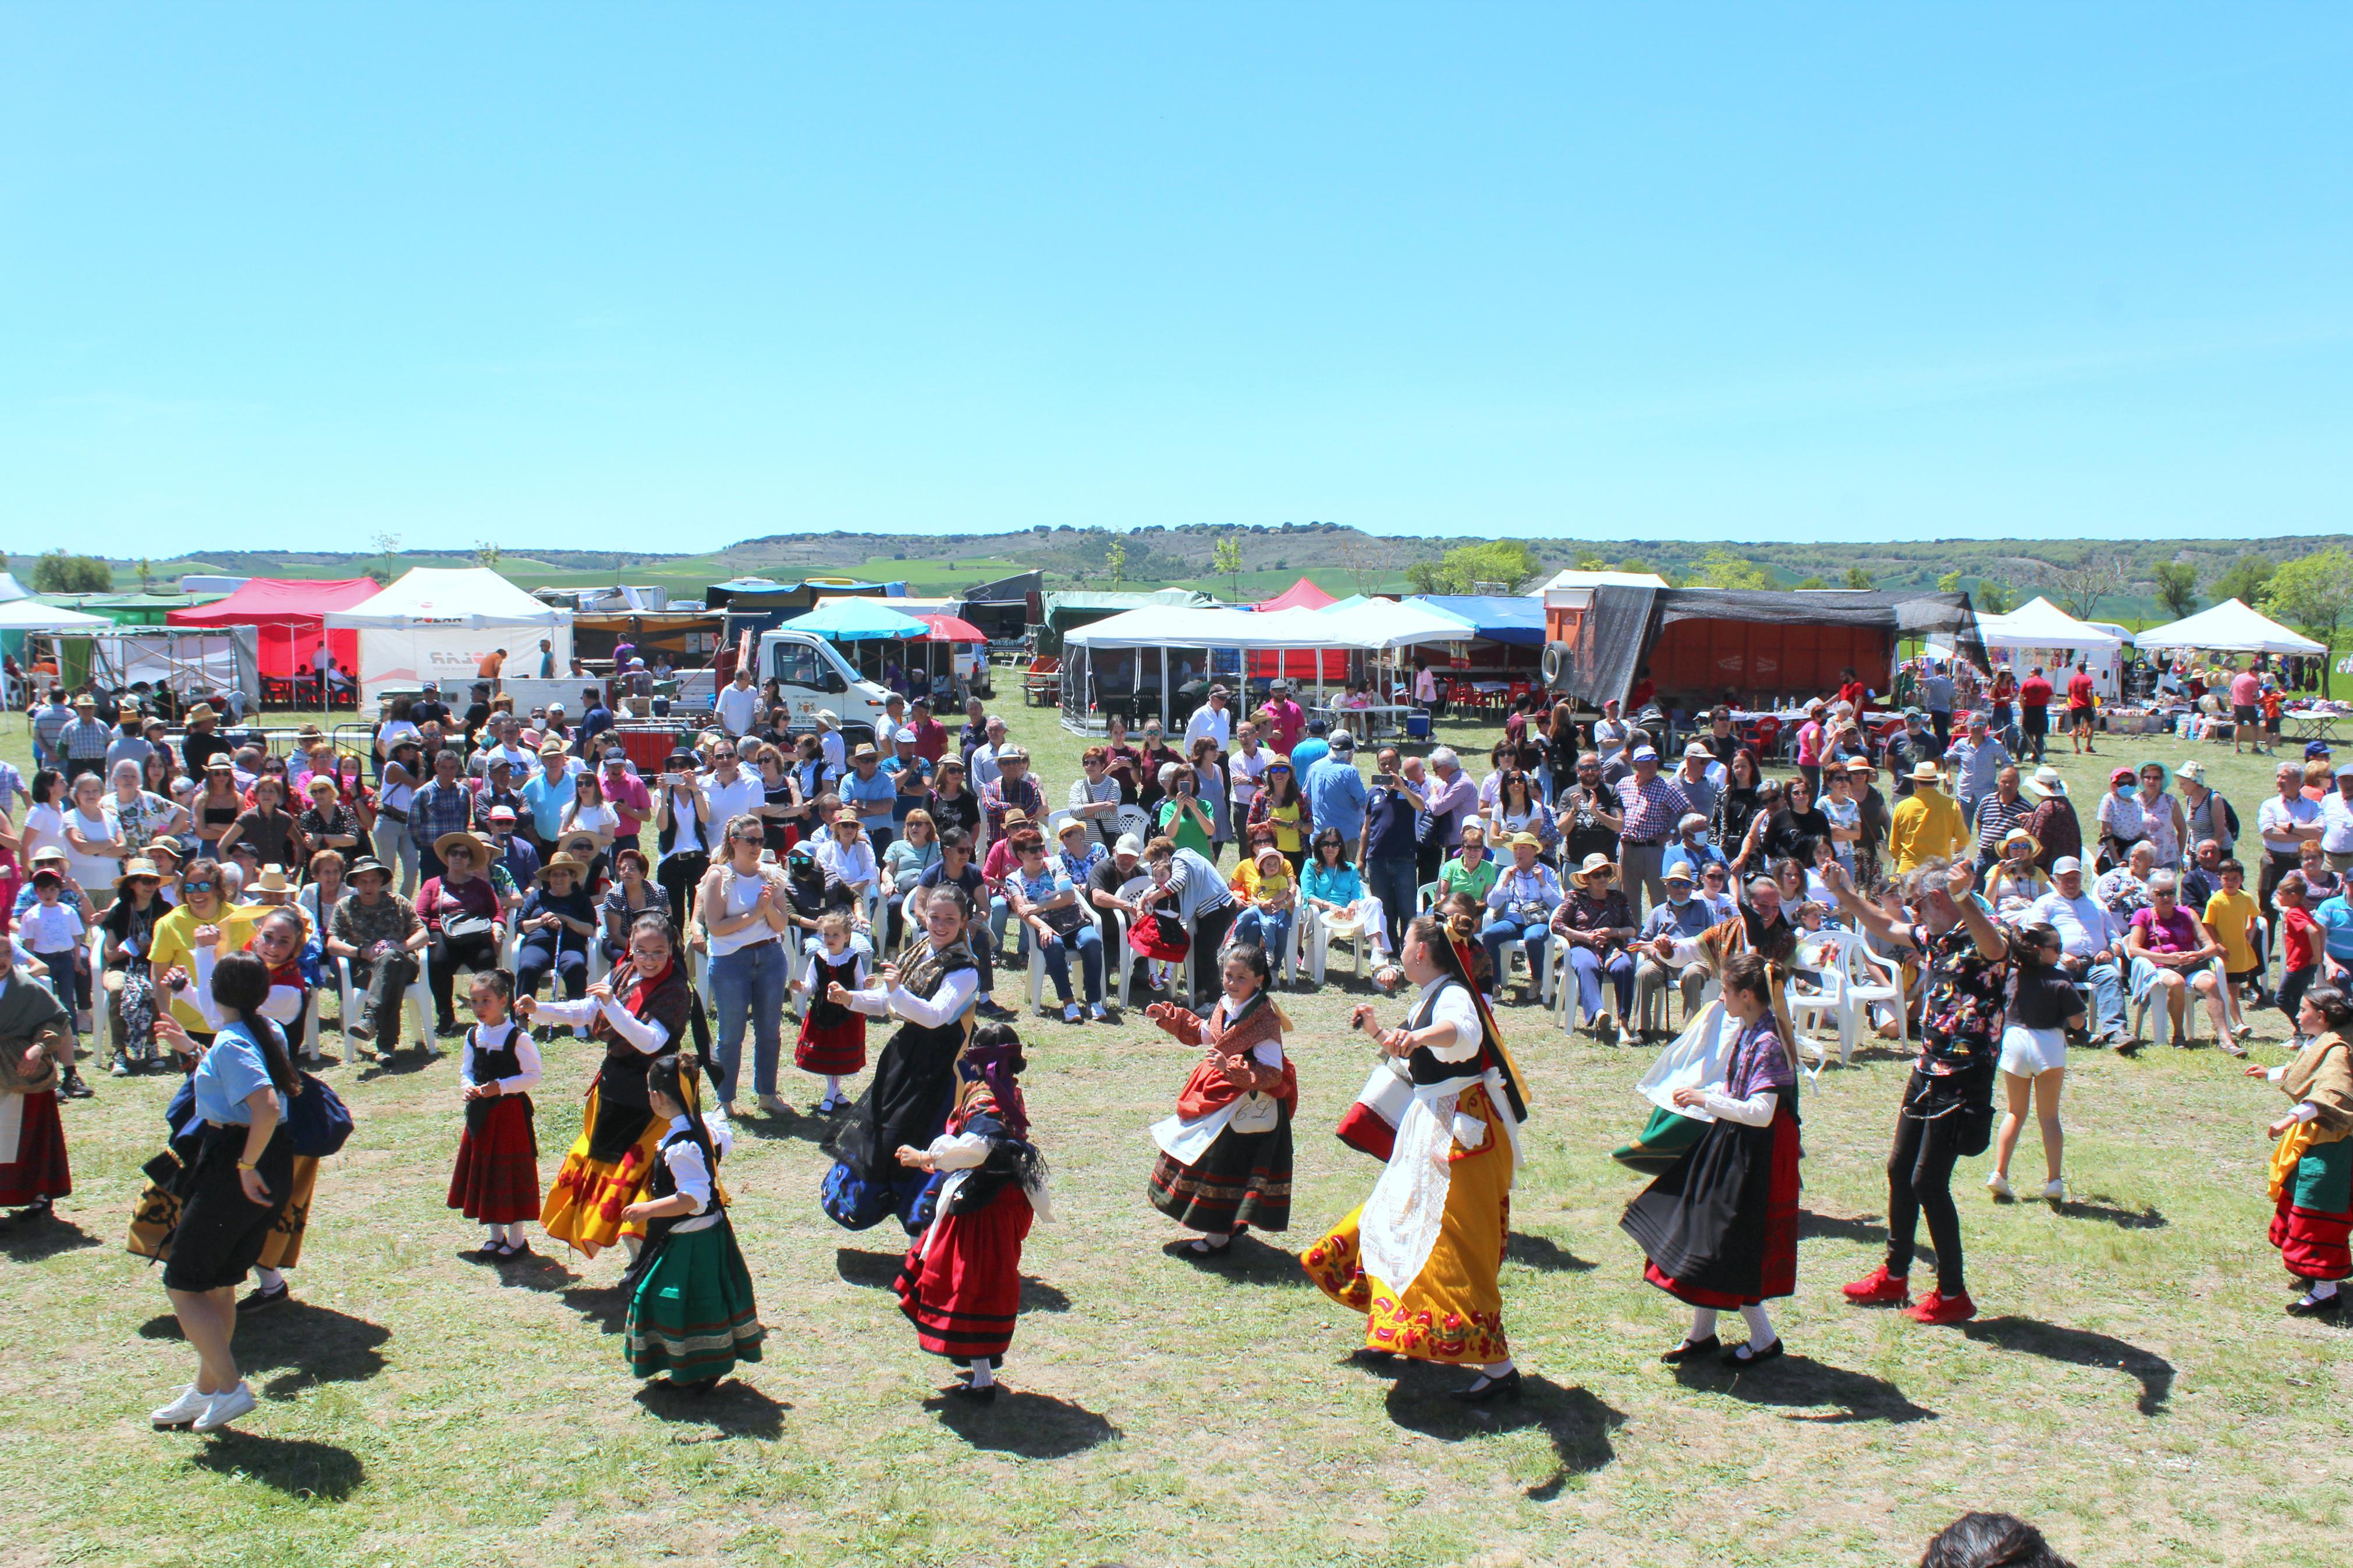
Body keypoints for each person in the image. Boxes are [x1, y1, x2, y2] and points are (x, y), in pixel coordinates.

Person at [1303, 911, 1529, 1400]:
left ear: (1421, 952)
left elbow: (1461, 1035)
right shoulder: (1430, 995)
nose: (1400, 950)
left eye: (1404, 941)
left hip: (1460, 1133)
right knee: (1393, 1220)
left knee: (1453, 1245)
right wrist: (1378, 1030)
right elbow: (1411, 1054)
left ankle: (1499, 1366)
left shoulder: (1452, 995)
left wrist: (1420, 1035)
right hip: (1436, 1124)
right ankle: (1392, 1329)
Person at [1825, 858, 2007, 1326]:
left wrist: (1966, 897)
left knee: (1928, 1181)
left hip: (1964, 1074)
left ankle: (1953, 1293)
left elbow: (1996, 948)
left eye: (1918, 902)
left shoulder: (1984, 932)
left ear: (1941, 898)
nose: (1912, 911)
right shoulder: (1936, 937)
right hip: (1927, 1068)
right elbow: (1884, 922)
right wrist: (1844, 894)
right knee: (1899, 1167)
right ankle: (1895, 1273)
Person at [143, 952, 301, 1434]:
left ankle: (231, 1388)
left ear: (216, 990)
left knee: (183, 1282)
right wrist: (191, 1048)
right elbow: (236, 1076)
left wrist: (246, 1164)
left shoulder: (234, 1041)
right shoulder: (265, 1029)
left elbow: (265, 1105)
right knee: (219, 1282)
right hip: (262, 1159)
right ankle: (207, 1389)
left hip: (237, 1161)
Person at [1620, 949, 1800, 1366]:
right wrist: (1709, 1099)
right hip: (1734, 1145)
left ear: (1748, 996)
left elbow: (1761, 1112)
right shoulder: (1753, 1029)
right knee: (1702, 1234)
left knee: (1726, 1246)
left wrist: (1708, 1099)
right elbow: (1742, 1095)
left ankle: (1763, 1339)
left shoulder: (1769, 1042)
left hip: (1754, 1157)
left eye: (1726, 991)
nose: (1720, 999)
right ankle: (1702, 1334)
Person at [891, 1021, 1045, 1402]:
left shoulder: (984, 1096)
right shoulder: (1009, 1089)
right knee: (979, 1285)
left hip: (981, 1208)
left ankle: (981, 1382)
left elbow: (978, 1147)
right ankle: (980, 1372)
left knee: (965, 1286)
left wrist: (924, 1157)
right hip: (1002, 1200)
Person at [527, 912, 694, 1260]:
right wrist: (540, 1009)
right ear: (630, 949)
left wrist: (612, 1005)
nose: (649, 960)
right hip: (615, 1089)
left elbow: (650, 1042)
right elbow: (587, 1011)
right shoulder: (623, 973)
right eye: (642, 951)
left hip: (656, 1100)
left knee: (642, 1181)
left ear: (671, 951)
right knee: (607, 1171)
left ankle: (645, 1260)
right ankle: (634, 1259)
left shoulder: (676, 991)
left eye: (658, 952)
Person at [822, 885, 984, 1232]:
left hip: (940, 1066)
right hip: (905, 1055)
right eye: (935, 917)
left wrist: (897, 991)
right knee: (884, 1129)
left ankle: (920, 1219)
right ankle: (865, 1199)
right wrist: (850, 998)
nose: (940, 925)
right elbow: (885, 1002)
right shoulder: (919, 951)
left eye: (950, 920)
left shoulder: (965, 969)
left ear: (963, 922)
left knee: (920, 1134)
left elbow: (935, 1015)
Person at [620, 1054, 765, 1390]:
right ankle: (699, 1367)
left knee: (662, 1298)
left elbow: (693, 1199)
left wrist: (647, 1210)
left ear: (657, 1097)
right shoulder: (703, 1127)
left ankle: (695, 1369)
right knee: (706, 1298)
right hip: (709, 1232)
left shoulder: (682, 1145)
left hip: (690, 1237)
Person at [1144, 943, 1296, 1254]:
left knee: (1220, 1164)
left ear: (1259, 980)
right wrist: (1170, 1017)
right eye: (1229, 975)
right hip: (1220, 1094)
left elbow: (1273, 1073)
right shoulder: (1226, 1004)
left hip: (1249, 1103)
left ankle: (1217, 1237)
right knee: (1203, 1155)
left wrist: (1233, 1069)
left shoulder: (1264, 1019)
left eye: (1241, 978)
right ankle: (1226, 1228)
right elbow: (1208, 1033)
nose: (1232, 983)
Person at [2249, 988, 2353, 1316]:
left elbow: (2332, 1094)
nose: (2297, 1015)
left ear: (2321, 1016)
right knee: (2299, 1196)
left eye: (2303, 1009)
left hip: (2334, 1147)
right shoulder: (2329, 1038)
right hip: (2317, 1140)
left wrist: (2288, 1119)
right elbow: (2309, 1071)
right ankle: (2317, 1277)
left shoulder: (2338, 1048)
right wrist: (2272, 1073)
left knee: (2320, 1210)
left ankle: (2326, 1292)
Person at [696, 814, 792, 1115]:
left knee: (770, 1031)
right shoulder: (719, 876)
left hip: (770, 958)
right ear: (734, 842)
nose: (756, 847)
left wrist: (767, 910)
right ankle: (725, 1100)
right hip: (730, 962)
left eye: (760, 841)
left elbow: (780, 924)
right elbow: (716, 927)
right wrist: (755, 913)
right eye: (750, 840)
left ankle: (767, 1094)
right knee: (730, 1034)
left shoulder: (771, 875)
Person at [1984, 922, 2082, 1204]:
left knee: (2015, 1111)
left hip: (2014, 1041)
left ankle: (1999, 1173)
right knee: (2049, 1116)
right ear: (2041, 950)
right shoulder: (2060, 980)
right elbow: (2077, 1021)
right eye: (2057, 948)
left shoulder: (2011, 976)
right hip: (2048, 1044)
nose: (2060, 953)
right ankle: (2053, 1181)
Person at [446, 968, 541, 1256]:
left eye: (485, 1000)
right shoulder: (474, 1035)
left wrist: (500, 1087)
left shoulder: (518, 1038)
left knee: (508, 1173)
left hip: (509, 1115)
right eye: (474, 1002)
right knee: (487, 1171)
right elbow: (467, 1070)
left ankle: (516, 1240)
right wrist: (468, 1087)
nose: (478, 1008)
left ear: (503, 1000)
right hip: (481, 1116)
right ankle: (495, 1236)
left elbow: (533, 1075)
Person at [0, 943, 73, 1224]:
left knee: (32, 1140)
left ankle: (39, 1194)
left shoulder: (26, 987)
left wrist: (39, 1048)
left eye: (7, 953)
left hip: (25, 1075)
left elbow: (56, 1020)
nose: (2, 960)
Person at [2127, 870, 2238, 1053]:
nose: (2166, 898)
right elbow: (2134, 949)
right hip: (2161, 966)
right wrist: (2167, 958)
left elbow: (2210, 946)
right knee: (2176, 983)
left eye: (2170, 892)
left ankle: (2226, 1039)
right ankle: (2179, 1034)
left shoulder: (2188, 913)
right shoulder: (2143, 915)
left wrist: (2199, 955)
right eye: (2160, 894)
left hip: (2191, 964)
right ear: (2151, 894)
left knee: (2210, 983)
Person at [325, 855, 424, 1058]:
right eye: (363, 881)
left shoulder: (398, 902)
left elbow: (423, 934)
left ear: (381, 881)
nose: (369, 886)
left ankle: (370, 1019)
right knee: (389, 975)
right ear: (355, 883)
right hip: (367, 968)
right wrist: (363, 953)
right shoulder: (345, 905)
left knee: (390, 959)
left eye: (373, 880)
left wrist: (401, 946)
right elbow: (332, 944)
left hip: (404, 962)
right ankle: (386, 1047)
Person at [1008, 829, 1108, 1022]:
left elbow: (1069, 896)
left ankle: (1093, 1001)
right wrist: (1042, 926)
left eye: (1041, 848)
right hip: (1046, 925)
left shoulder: (1055, 864)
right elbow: (1022, 911)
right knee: (1052, 945)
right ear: (1021, 855)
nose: (1039, 853)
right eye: (1033, 850)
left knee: (1093, 942)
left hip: (1073, 920)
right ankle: (1068, 1002)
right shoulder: (1014, 880)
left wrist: (1038, 906)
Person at [2028, 858, 2127, 1047]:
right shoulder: (2045, 903)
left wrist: (2110, 952)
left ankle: (2115, 1032)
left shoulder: (2096, 904)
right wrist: (2060, 954)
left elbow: (2116, 940)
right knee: (2058, 976)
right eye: (2065, 879)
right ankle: (2076, 1030)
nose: (2071, 883)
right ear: (2054, 880)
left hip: (2095, 962)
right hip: (2060, 961)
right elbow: (2035, 936)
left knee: (2111, 975)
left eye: (2075, 878)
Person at [416, 832, 507, 1038]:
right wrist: (421, 932)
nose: (458, 857)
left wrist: (498, 927)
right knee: (438, 961)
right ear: (447, 857)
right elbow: (420, 914)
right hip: (442, 930)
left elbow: (497, 912)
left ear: (469, 860)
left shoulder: (481, 886)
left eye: (464, 854)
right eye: (454, 853)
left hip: (475, 932)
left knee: (486, 959)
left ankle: (489, 1015)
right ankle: (446, 1015)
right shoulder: (433, 884)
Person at [1134, 837, 1239, 1010]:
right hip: (1211, 911)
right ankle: (1199, 991)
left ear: (1165, 855)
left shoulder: (1180, 859)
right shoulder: (1183, 858)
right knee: (1196, 948)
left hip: (1219, 909)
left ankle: (1215, 1001)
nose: (1153, 866)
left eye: (1154, 860)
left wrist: (1156, 895)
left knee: (1206, 952)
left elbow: (1179, 881)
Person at [1632, 865, 1720, 1040]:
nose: (1681, 889)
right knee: (1643, 973)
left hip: (1694, 961)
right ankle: (1642, 1031)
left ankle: (1691, 1032)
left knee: (1692, 974)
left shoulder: (1705, 909)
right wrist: (1653, 949)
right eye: (1676, 884)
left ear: (1692, 888)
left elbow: (1715, 940)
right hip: (1663, 961)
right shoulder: (1658, 912)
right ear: (1667, 887)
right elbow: (1641, 942)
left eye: (1686, 885)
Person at [1555, 852, 1637, 1039]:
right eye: (1596, 875)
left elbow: (1632, 930)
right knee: (1587, 965)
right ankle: (1599, 1013)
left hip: (1612, 947)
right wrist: (1586, 937)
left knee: (1625, 966)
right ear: (1587, 879)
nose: (1603, 878)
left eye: (1606, 873)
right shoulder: (1575, 897)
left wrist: (1612, 932)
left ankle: (1623, 1024)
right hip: (1582, 946)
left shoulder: (1619, 898)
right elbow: (1557, 926)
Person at [794, 911, 871, 1112]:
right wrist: (800, 987)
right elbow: (811, 985)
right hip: (823, 1013)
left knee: (839, 1055)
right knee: (829, 1055)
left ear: (847, 937)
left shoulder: (853, 959)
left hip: (846, 1013)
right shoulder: (819, 958)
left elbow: (859, 985)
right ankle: (835, 1093)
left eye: (835, 935)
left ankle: (832, 1094)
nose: (830, 939)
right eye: (826, 935)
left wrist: (867, 985)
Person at [1481, 832, 1563, 1004]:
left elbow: (1558, 904)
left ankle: (1537, 980)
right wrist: (1504, 884)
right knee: (1489, 934)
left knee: (1533, 938)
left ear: (1534, 851)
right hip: (1514, 919)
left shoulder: (1547, 872)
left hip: (1537, 920)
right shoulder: (1507, 872)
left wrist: (1543, 884)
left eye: (1523, 848)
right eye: (1516, 849)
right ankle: (1495, 983)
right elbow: (1493, 904)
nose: (1518, 853)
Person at [1614, 745, 1690, 927]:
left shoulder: (1664, 786)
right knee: (1629, 896)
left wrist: (1671, 832)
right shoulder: (1624, 784)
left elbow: (1685, 809)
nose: (1652, 767)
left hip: (1652, 849)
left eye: (1654, 762)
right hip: (1627, 847)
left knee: (1658, 895)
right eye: (1646, 763)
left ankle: (1662, 933)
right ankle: (1632, 936)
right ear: (1636, 765)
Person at [514, 854, 598, 1006]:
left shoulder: (582, 899)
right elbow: (520, 926)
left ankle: (578, 1020)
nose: (559, 879)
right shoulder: (537, 897)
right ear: (549, 877)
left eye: (564, 874)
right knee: (528, 968)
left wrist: (564, 918)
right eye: (555, 875)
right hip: (537, 946)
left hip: (570, 947)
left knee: (576, 967)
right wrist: (542, 920)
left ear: (573, 877)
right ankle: (522, 1019)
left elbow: (590, 929)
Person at [652, 749, 716, 933]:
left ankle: (699, 954)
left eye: (683, 765)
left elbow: (705, 818)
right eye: (674, 766)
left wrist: (694, 788)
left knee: (700, 913)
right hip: (672, 860)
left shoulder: (702, 794)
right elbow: (662, 826)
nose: (678, 770)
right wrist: (664, 794)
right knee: (673, 917)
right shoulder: (660, 795)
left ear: (691, 769)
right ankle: (677, 956)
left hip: (697, 858)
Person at [2259, 759, 2325, 913]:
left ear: (2298, 781)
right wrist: (2304, 836)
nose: (2278, 781)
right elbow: (2268, 832)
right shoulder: (2270, 805)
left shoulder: (2313, 806)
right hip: (2273, 862)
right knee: (2267, 909)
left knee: (2301, 908)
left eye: (2283, 777)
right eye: (2278, 777)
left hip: (2300, 863)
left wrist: (2290, 828)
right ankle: (2264, 938)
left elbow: (2319, 831)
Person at [1227, 842, 1297, 980]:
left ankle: (1270, 954)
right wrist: (1258, 902)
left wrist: (1272, 901)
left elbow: (1285, 893)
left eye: (1275, 865)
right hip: (1258, 907)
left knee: (1268, 925)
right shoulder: (1259, 881)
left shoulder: (1281, 879)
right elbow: (1253, 896)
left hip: (1274, 909)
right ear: (1262, 867)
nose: (1272, 867)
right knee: (1245, 916)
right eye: (1269, 865)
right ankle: (1234, 938)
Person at [1888, 761, 1965, 874]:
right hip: (1939, 871)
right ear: (1937, 782)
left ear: (1915, 783)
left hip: (1909, 871)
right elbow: (1964, 839)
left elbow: (1894, 848)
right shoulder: (1951, 805)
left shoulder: (1902, 806)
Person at [2064, 660, 2098, 754]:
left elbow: (2069, 694)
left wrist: (2072, 701)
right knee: (2092, 725)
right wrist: (2093, 706)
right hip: (2086, 705)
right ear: (2085, 669)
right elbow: (2090, 693)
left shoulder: (2072, 679)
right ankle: (2088, 746)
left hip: (2075, 706)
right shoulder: (2088, 679)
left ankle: (2077, 748)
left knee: (2075, 727)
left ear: (2077, 668)